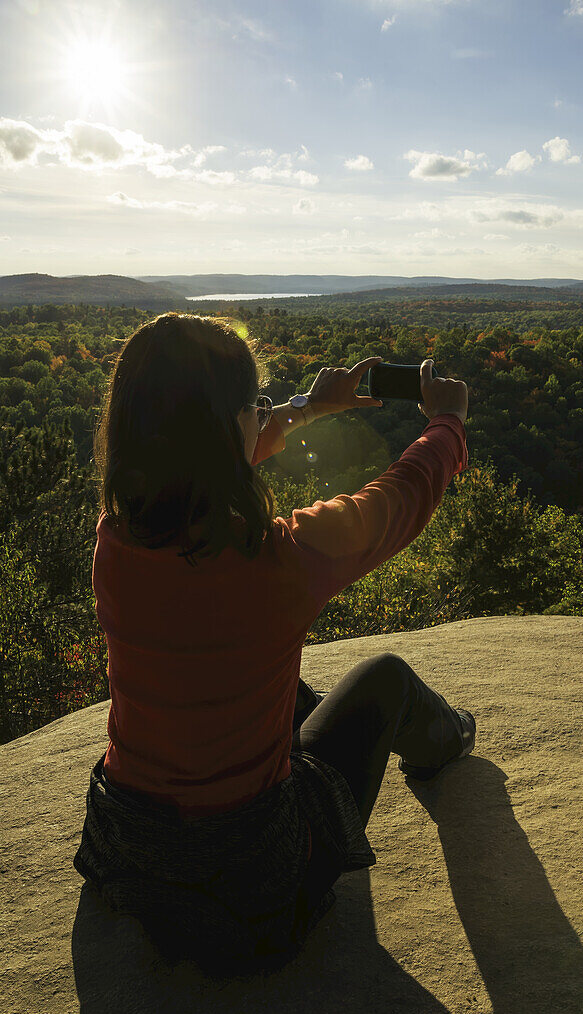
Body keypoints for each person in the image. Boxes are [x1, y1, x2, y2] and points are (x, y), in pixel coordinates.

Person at [73, 311, 474, 976]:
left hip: (131, 851)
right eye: (250, 406)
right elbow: (395, 503)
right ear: (227, 426)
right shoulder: (276, 560)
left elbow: (194, 462)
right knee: (385, 679)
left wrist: (302, 410)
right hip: (254, 889)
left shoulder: (115, 540)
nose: (261, 413)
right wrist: (447, 424)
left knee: (290, 693)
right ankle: (449, 739)